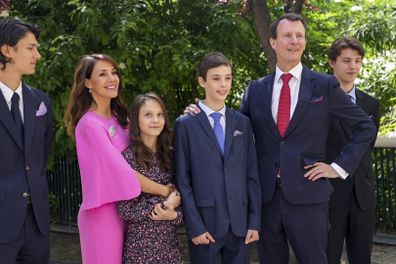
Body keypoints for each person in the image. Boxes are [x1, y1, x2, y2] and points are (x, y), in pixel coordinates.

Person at [239, 13, 377, 264]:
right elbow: (237, 133)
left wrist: (338, 167)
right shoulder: (256, 89)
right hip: (266, 199)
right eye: (287, 35)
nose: (294, 41)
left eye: (299, 36)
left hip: (309, 198)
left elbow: (364, 127)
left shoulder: (323, 85)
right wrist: (202, 112)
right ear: (273, 42)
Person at [65, 54, 180, 264]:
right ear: (88, 83)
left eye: (114, 72)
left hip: (129, 214)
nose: (112, 78)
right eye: (103, 74)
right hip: (102, 215)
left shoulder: (122, 119)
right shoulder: (89, 124)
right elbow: (123, 172)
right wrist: (166, 191)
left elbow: (150, 137)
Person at [174, 52, 261, 264]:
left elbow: (251, 174)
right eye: (216, 78)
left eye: (228, 77)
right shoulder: (185, 124)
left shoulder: (242, 123)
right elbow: (183, 180)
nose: (223, 84)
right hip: (205, 224)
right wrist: (194, 226)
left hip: (240, 224)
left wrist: (254, 221)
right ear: (202, 81)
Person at [0, 18, 53, 263]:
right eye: (30, 48)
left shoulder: (40, 102)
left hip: (36, 221)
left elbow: (42, 155)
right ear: (7, 50)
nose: (38, 55)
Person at [326, 37, 380, 264]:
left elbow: (367, 146)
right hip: (329, 194)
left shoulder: (371, 104)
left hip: (362, 195)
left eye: (358, 61)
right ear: (332, 63)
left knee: (362, 258)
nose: (353, 67)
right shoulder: (317, 100)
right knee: (326, 257)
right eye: (346, 60)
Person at [117, 92, 184, 264]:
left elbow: (183, 200)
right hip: (140, 251)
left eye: (159, 114)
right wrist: (162, 205)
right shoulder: (128, 158)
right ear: (135, 120)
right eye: (148, 115)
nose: (155, 120)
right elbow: (124, 210)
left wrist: (172, 215)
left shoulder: (171, 155)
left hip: (170, 251)